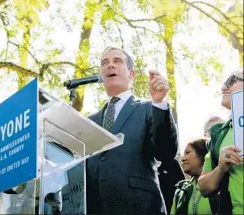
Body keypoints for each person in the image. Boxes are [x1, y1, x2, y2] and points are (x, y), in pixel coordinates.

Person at [86, 46, 178, 214]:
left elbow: (166, 153)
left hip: (140, 206)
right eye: (105, 63)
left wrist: (159, 101)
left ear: (131, 74)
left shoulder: (150, 108)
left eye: (117, 61)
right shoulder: (89, 122)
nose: (110, 65)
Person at [198, 69, 244, 214]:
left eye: (232, 81)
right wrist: (220, 168)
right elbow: (204, 187)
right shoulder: (218, 135)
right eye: (224, 83)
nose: (223, 87)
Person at [171, 138, 218, 214]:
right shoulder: (181, 189)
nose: (182, 158)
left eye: (187, 152)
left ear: (204, 155)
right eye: (183, 154)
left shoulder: (220, 186)